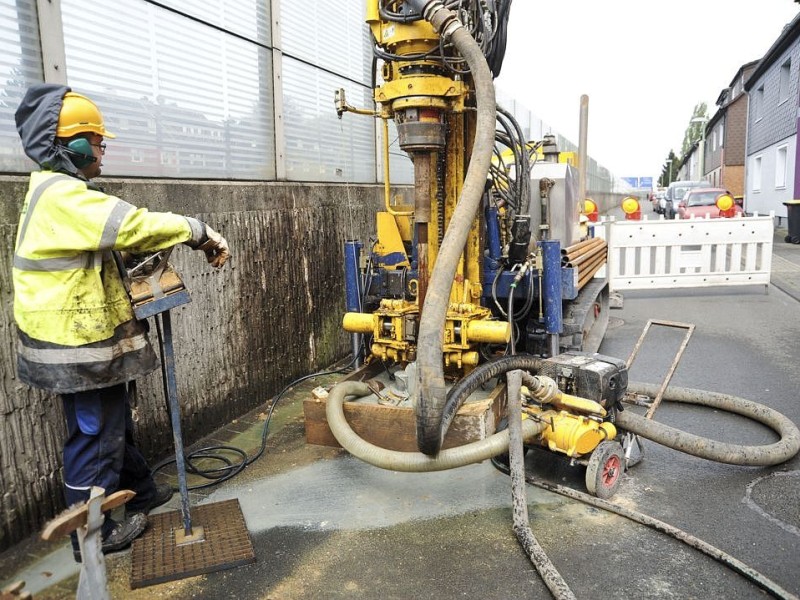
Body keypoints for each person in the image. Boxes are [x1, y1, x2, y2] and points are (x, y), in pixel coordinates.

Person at [13, 84, 230, 560]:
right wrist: (196, 230)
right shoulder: (63, 195)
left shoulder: (64, 195)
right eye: (96, 139)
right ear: (70, 146)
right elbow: (130, 224)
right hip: (75, 343)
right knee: (96, 434)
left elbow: (111, 241)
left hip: (78, 336)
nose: (102, 148)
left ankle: (141, 494)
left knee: (115, 425)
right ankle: (90, 533)